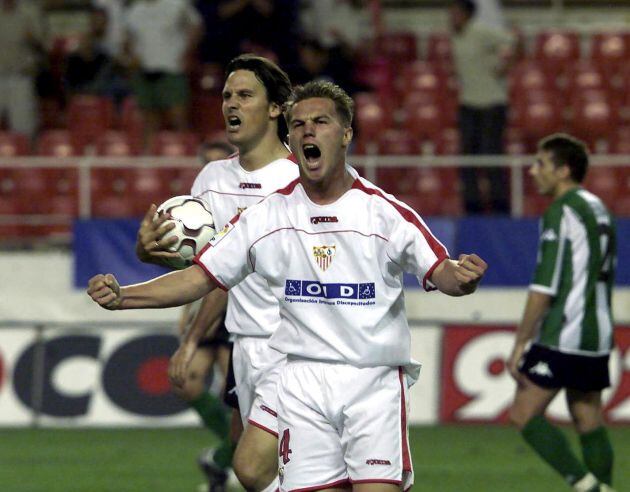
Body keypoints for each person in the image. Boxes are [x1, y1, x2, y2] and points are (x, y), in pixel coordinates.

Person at [87, 80, 488, 491]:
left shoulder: (384, 214)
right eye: (298, 124)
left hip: (371, 382)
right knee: (253, 470)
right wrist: (124, 297)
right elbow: (198, 278)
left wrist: (461, 279)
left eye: (320, 122)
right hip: (300, 382)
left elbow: (440, 269)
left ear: (346, 134)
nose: (307, 131)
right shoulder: (267, 216)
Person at [134, 54, 298, 492]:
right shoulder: (211, 179)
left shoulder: (303, 178)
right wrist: (151, 254)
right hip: (245, 346)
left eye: (245, 95)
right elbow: (205, 268)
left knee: (266, 468)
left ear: (276, 108)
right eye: (227, 95)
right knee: (256, 473)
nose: (231, 104)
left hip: (300, 347)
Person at [507, 134, 617, 492]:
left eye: (541, 163)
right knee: (587, 418)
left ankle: (588, 487)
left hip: (565, 330)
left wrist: (521, 342)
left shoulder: (561, 210)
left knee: (524, 412)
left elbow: (544, 286)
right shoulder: (598, 207)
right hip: (597, 330)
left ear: (563, 170)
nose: (532, 170)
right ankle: (602, 485)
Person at [167, 140, 236, 492]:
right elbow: (193, 266)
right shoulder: (196, 214)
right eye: (204, 162)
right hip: (207, 303)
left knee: (238, 396)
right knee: (187, 382)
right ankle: (226, 454)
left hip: (237, 305)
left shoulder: (241, 203)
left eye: (216, 161)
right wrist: (187, 309)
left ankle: (226, 459)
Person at [450, 0, 515, 214]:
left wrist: (503, 65)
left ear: (467, 14)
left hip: (491, 102)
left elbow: (511, 41)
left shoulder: (481, 32)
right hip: (468, 103)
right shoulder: (455, 36)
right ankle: (472, 206)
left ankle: (498, 206)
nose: (452, 16)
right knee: (467, 157)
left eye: (456, 12)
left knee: (491, 155)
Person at [123, 0, 203, 151]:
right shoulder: (135, 9)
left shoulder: (177, 4)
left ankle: (187, 157)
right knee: (148, 120)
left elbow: (196, 26)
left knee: (178, 117)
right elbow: (128, 37)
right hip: (144, 71)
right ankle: (148, 164)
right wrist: (131, 55)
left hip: (171, 69)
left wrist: (187, 53)